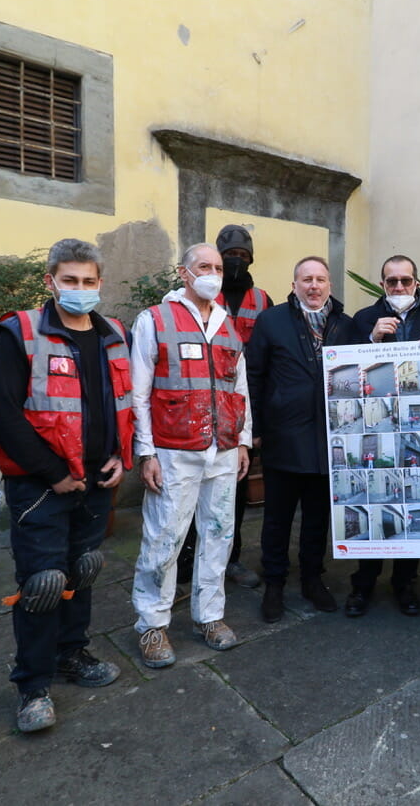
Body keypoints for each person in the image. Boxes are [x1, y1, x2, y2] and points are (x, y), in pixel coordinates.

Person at [0, 238, 133, 733]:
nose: (79, 289)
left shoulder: (114, 332)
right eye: (69, 281)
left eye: (88, 281)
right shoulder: (20, 333)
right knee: (43, 584)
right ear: (50, 282)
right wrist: (55, 473)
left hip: (96, 479)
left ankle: (72, 655)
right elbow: (4, 415)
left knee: (84, 570)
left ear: (99, 283)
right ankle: (32, 687)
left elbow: (120, 402)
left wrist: (120, 454)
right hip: (41, 486)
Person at [130, 243, 251, 667]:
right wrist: (145, 452)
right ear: (184, 273)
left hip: (222, 448)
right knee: (163, 539)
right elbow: (139, 393)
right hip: (173, 451)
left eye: (217, 267)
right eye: (204, 266)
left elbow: (240, 388)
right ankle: (151, 624)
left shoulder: (227, 324)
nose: (213, 273)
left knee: (218, 535)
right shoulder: (155, 320)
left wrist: (244, 442)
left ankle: (210, 616)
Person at [346, 254, 420, 617]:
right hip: (375, 426)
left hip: (417, 427)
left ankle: (404, 584)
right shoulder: (363, 319)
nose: (398, 287)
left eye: (405, 281)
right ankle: (363, 585)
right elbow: (345, 371)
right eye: (391, 281)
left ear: (417, 283)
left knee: (412, 504)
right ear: (382, 285)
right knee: (375, 499)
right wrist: (370, 340)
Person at [247, 256, 357, 621]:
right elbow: (255, 376)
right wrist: (256, 429)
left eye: (320, 279)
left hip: (330, 443)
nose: (314, 286)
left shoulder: (346, 325)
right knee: (276, 518)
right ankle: (274, 583)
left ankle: (312, 579)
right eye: (306, 279)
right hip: (284, 438)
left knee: (317, 518)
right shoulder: (271, 321)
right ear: (294, 285)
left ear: (329, 285)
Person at [174, 226, 271, 592]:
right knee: (188, 492)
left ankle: (229, 558)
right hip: (194, 410)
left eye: (242, 256)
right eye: (227, 255)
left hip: (240, 408)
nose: (234, 262)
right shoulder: (189, 300)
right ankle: (185, 558)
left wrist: (255, 424)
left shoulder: (262, 300)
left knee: (235, 492)